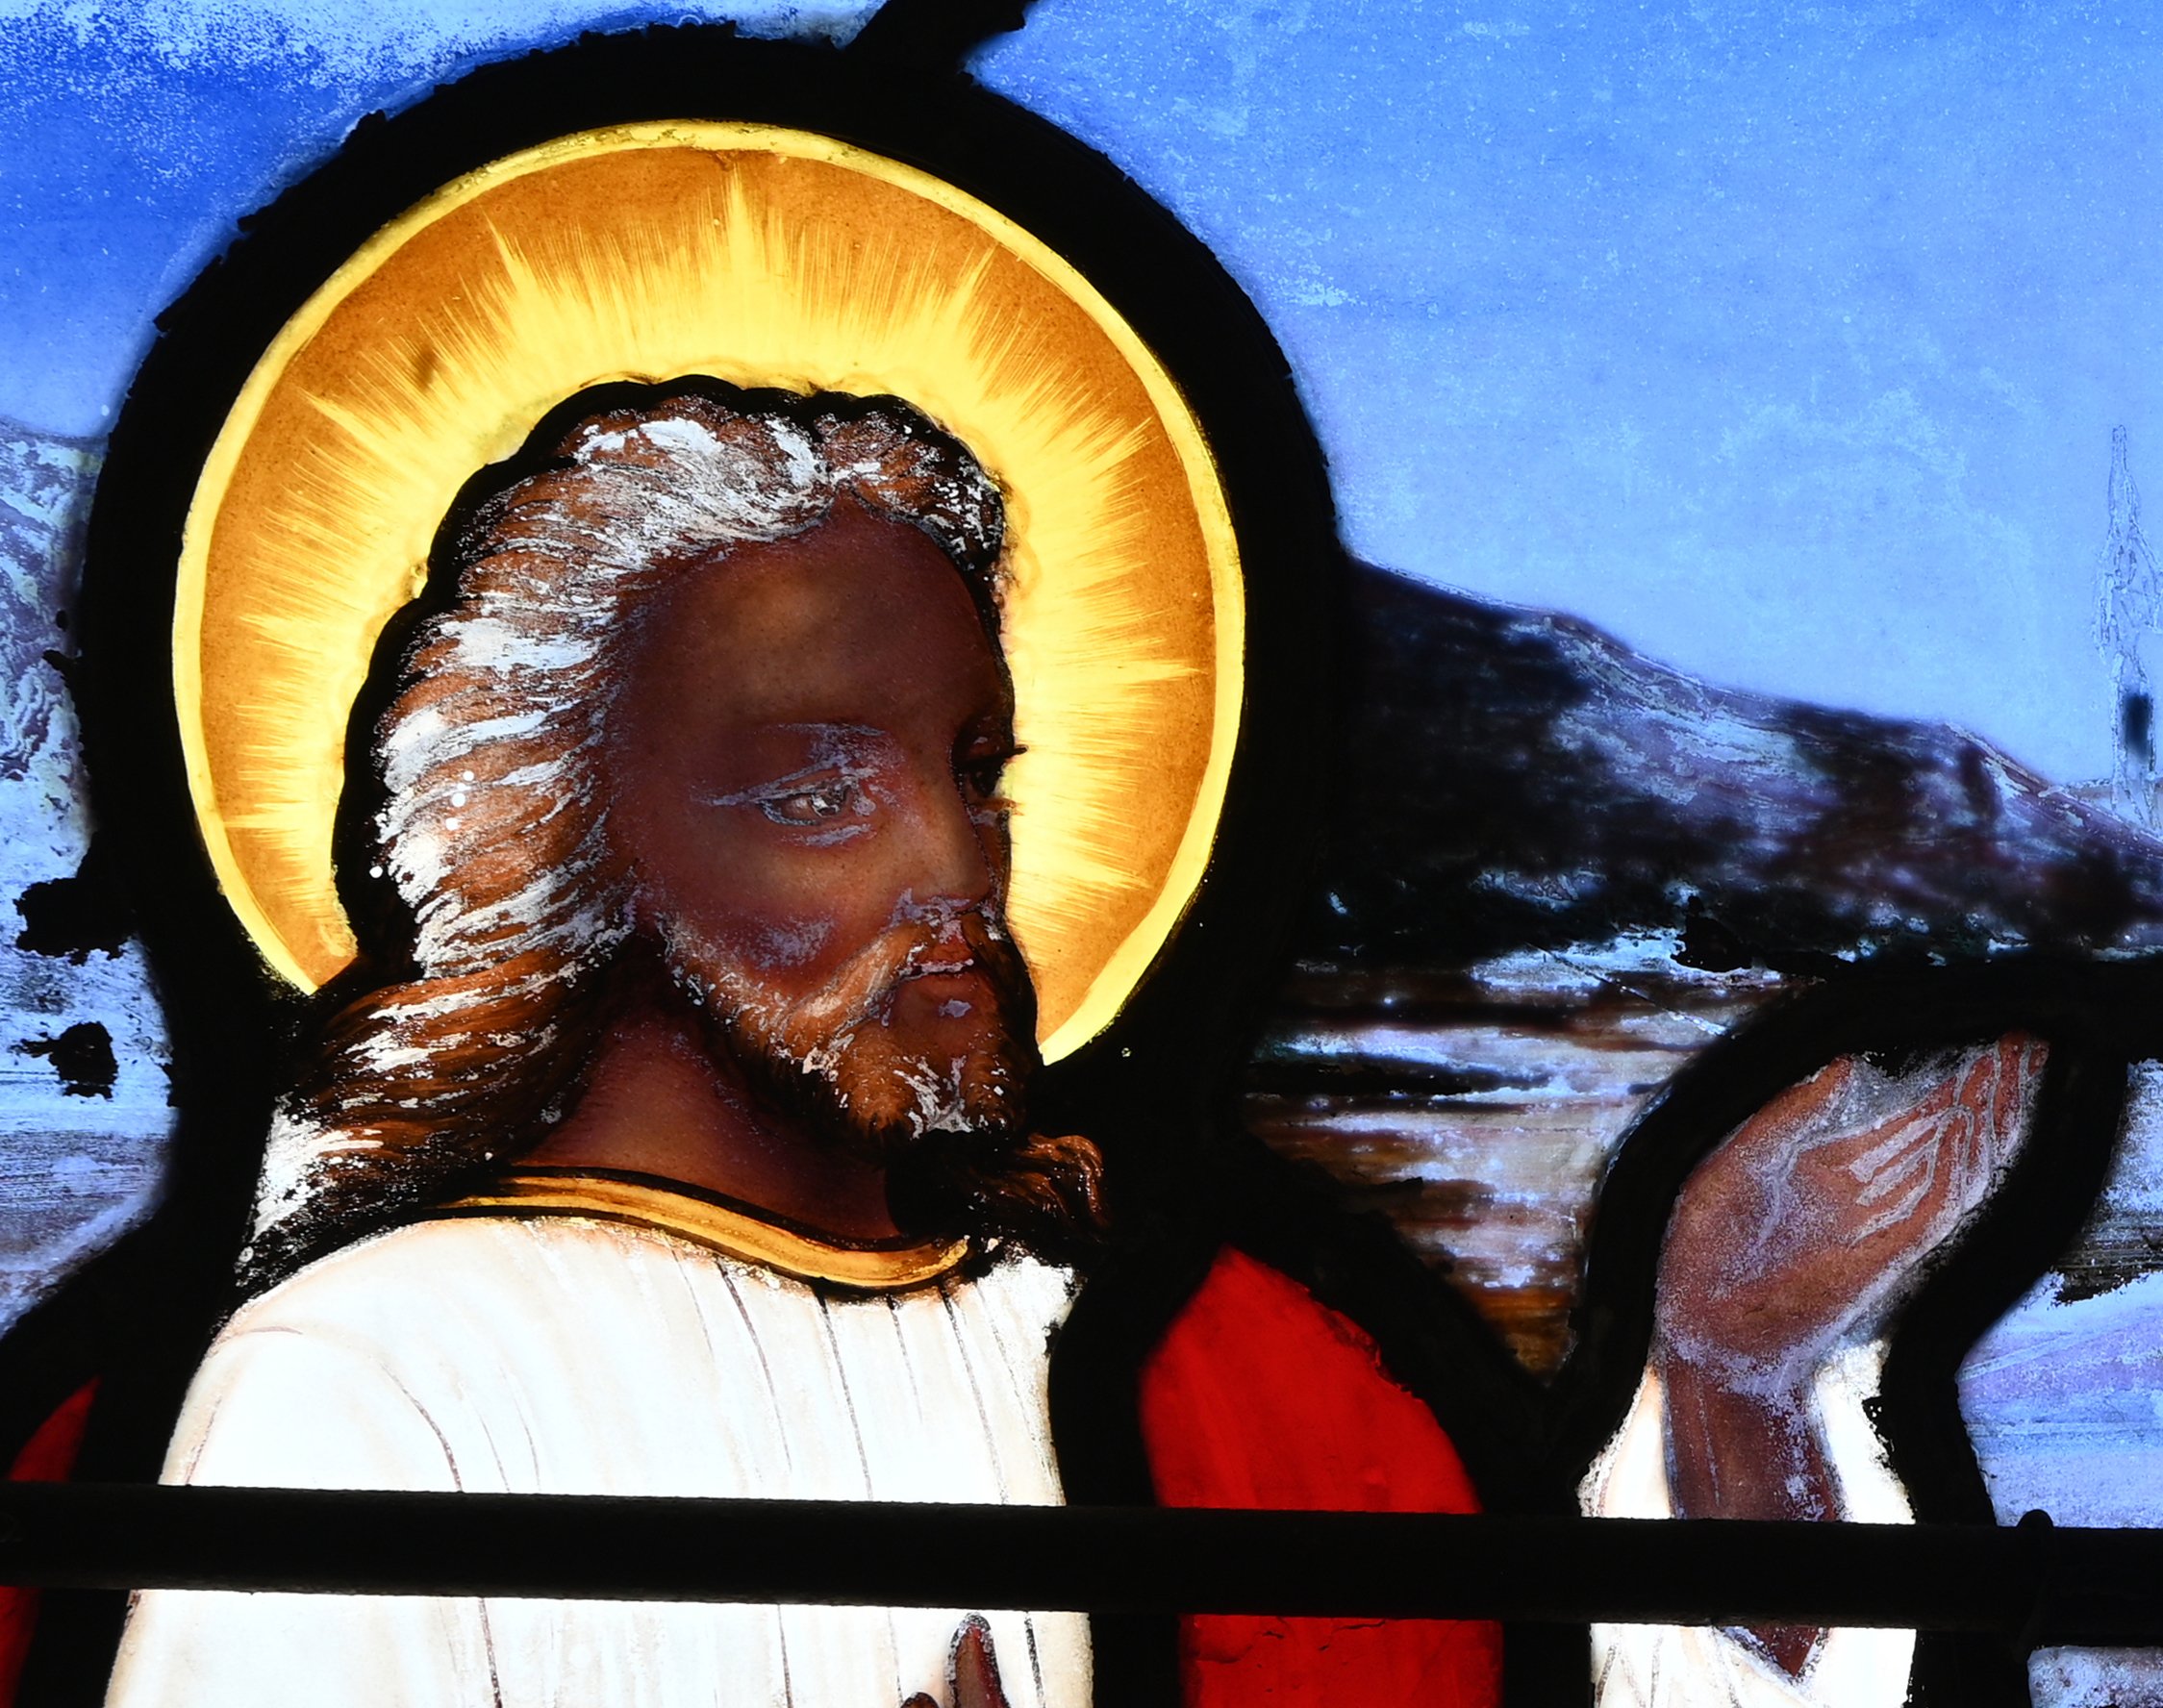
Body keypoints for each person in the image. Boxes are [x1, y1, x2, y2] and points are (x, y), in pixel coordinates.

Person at [101, 384, 1501, 1708]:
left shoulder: (1180, 1359)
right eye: (820, 793)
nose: (957, 866)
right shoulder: (373, 1372)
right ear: (571, 842)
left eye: (975, 772)